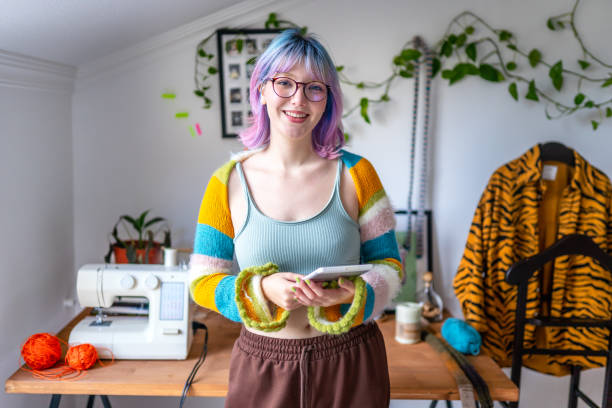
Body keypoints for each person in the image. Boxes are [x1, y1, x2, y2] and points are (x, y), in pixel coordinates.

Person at [189, 29, 402, 408]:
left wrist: (356, 293)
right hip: (263, 363)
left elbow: (390, 265)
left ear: (327, 100)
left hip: (350, 360)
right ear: (262, 90)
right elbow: (202, 282)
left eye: (314, 88)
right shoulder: (225, 183)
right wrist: (262, 291)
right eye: (285, 83)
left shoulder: (359, 174)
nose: (298, 99)